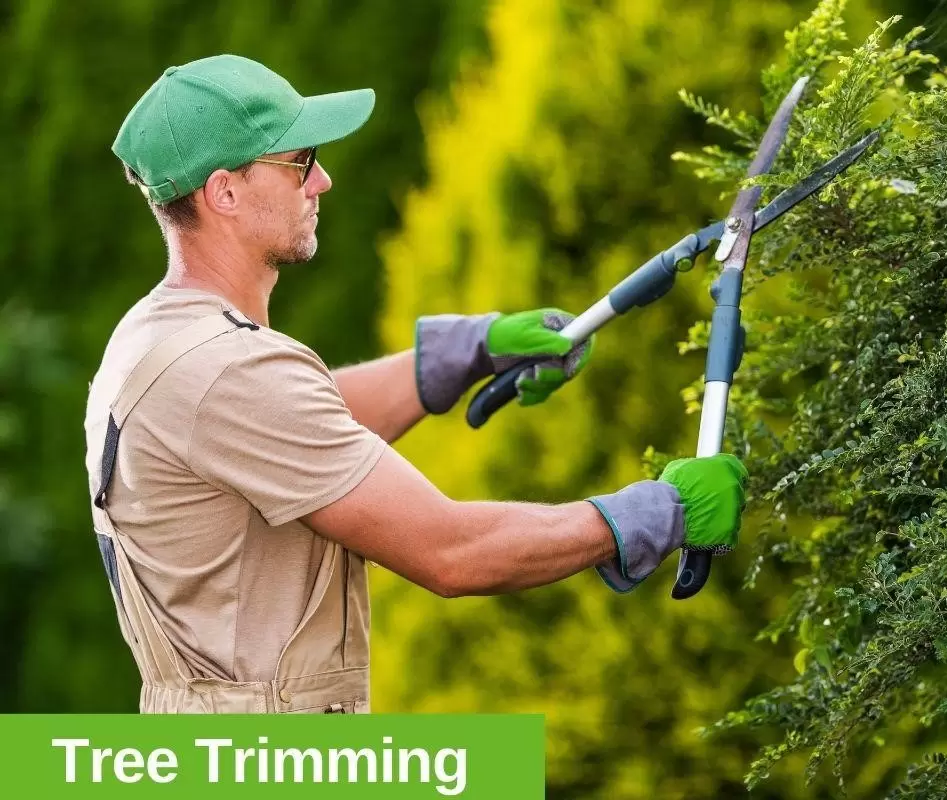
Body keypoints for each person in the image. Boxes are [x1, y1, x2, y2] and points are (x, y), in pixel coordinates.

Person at [86, 54, 747, 714]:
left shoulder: (160, 339)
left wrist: (470, 350)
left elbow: (300, 430)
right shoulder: (228, 373)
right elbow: (454, 551)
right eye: (300, 161)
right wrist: (661, 514)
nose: (323, 181)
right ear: (224, 192)